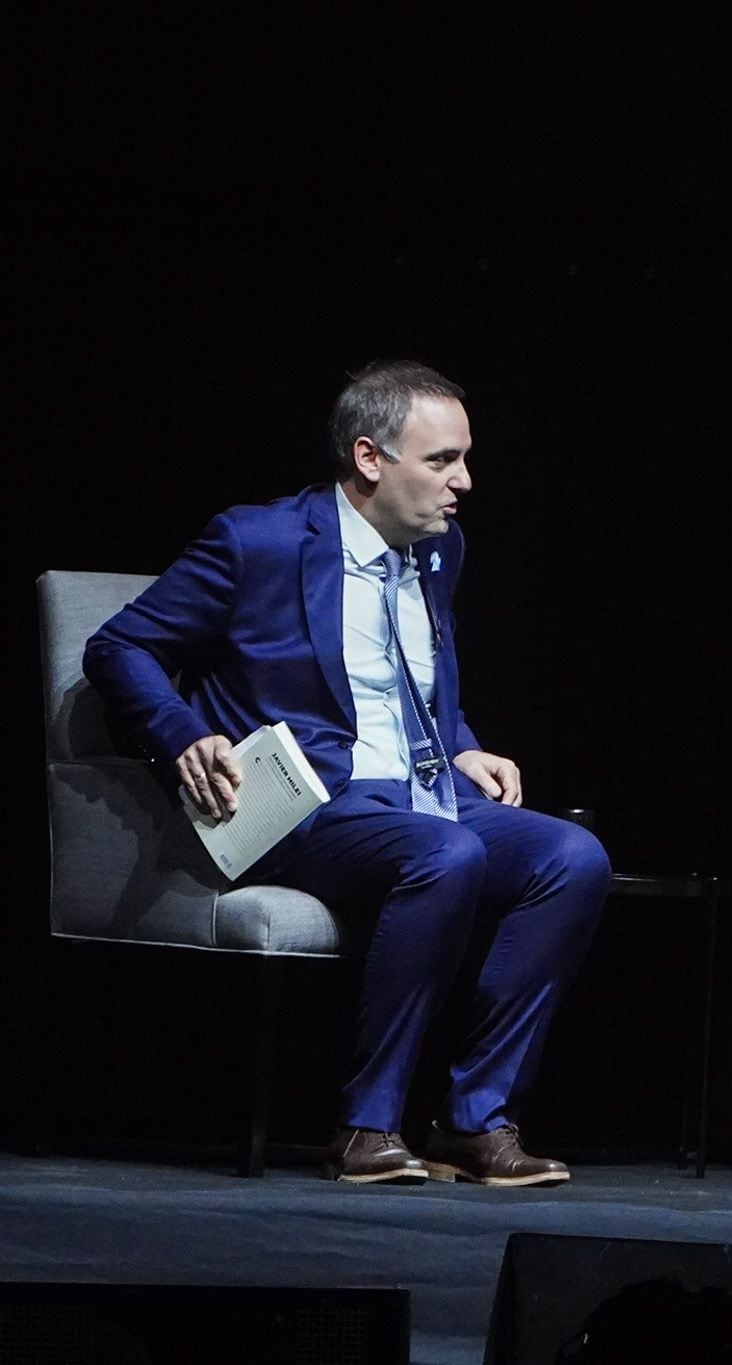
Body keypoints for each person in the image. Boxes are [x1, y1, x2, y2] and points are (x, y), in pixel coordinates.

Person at [85, 360, 610, 1187]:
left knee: (571, 857)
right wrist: (185, 734)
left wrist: (458, 739)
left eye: (464, 459)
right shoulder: (257, 542)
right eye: (441, 461)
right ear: (370, 458)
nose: (463, 481)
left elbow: (409, 674)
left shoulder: (442, 550)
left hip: (419, 795)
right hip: (304, 803)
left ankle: (473, 1119)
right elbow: (120, 646)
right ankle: (366, 1126)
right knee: (446, 855)